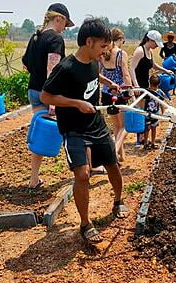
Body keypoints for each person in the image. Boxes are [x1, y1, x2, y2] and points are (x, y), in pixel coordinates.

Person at [41, 17, 128, 246]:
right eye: (102, 46)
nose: (104, 52)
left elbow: (92, 75)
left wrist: (108, 82)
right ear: (88, 42)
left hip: (96, 125)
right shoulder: (65, 68)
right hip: (74, 129)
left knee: (113, 165)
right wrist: (76, 103)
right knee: (82, 175)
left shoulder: (93, 61)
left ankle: (118, 201)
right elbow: (46, 96)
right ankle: (85, 223)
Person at [22, 3, 74, 189]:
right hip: (48, 93)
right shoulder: (55, 40)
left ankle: (34, 178)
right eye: (64, 24)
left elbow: (26, 64)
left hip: (33, 91)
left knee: (41, 131)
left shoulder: (35, 37)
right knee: (71, 127)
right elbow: (53, 72)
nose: (64, 29)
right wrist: (53, 99)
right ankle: (85, 166)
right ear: (58, 18)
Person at [130, 30, 172, 146]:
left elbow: (153, 65)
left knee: (146, 111)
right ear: (150, 40)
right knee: (141, 112)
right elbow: (132, 68)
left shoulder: (149, 52)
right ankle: (140, 139)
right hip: (139, 86)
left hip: (146, 86)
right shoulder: (139, 51)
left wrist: (165, 70)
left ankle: (145, 138)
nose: (156, 46)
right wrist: (135, 84)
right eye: (155, 43)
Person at [100, 28, 131, 162]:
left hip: (106, 92)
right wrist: (130, 91)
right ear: (120, 39)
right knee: (125, 126)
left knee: (116, 126)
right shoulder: (120, 54)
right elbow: (125, 74)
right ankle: (113, 152)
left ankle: (121, 156)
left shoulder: (103, 54)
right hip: (120, 92)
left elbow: (100, 72)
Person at [143, 74, 165, 150]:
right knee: (149, 129)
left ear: (149, 82)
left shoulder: (159, 92)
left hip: (153, 114)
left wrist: (163, 112)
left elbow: (161, 103)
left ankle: (151, 143)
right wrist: (163, 112)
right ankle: (147, 143)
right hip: (148, 114)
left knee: (151, 129)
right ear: (159, 83)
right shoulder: (147, 92)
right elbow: (143, 102)